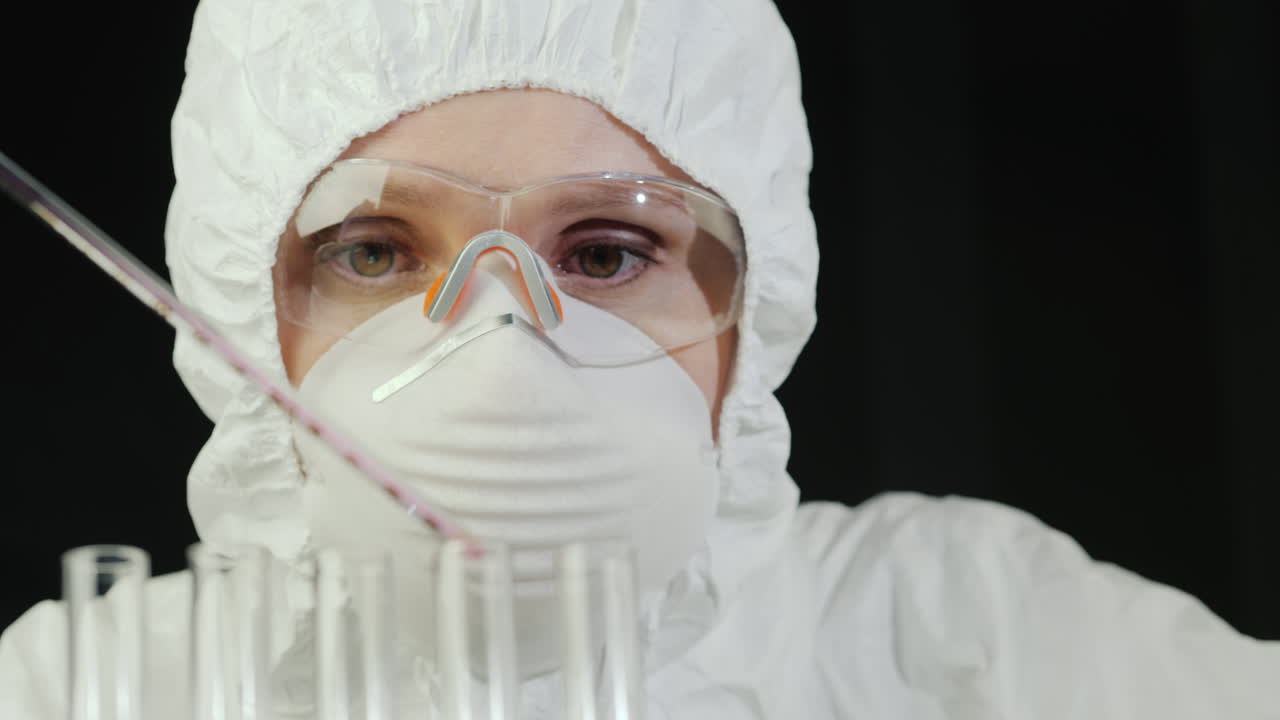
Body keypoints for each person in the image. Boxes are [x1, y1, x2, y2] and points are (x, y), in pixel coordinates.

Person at [2, 0, 1277, 717]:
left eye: (606, 252)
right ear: (236, 317)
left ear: (752, 306)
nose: (500, 349)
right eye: (376, 253)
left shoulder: (969, 638)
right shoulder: (83, 690)